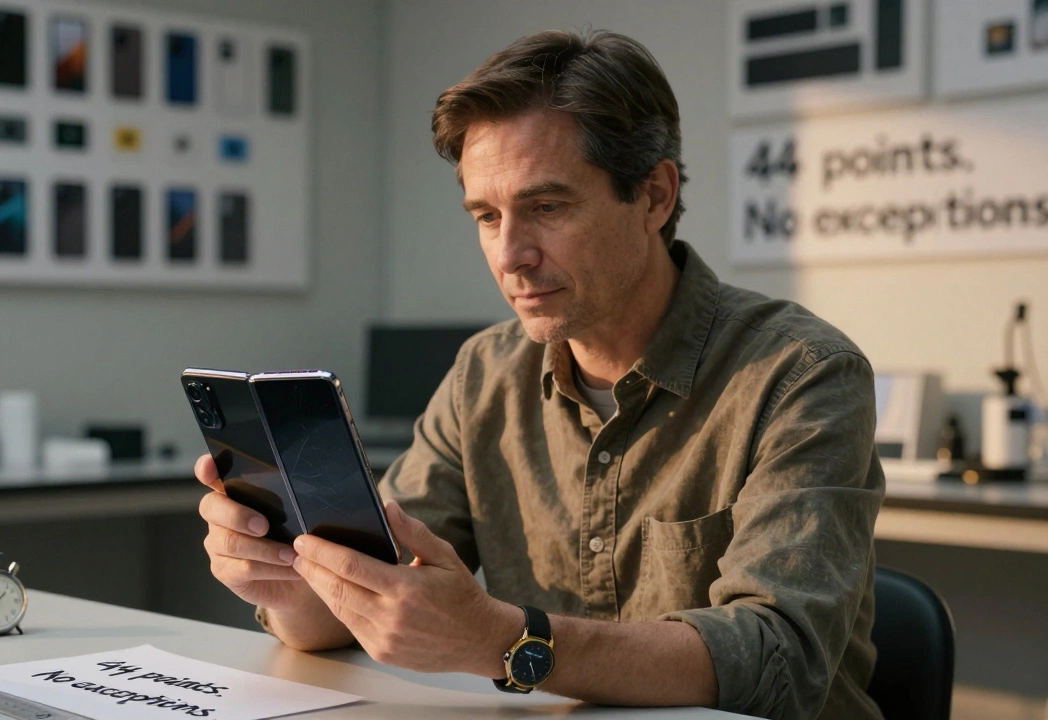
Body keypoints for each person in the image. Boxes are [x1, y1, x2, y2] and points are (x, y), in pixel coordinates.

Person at [195, 29, 884, 720]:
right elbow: (368, 604)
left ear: (654, 197)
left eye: (547, 208)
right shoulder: (484, 374)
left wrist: (505, 641)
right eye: (486, 216)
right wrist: (287, 583)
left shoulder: (802, 375)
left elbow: (780, 661)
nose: (510, 255)